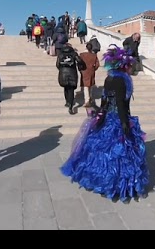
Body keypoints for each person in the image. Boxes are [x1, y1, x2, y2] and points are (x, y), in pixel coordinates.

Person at [60, 45, 149, 202]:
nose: (130, 67)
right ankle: (116, 186)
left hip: (108, 117)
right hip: (118, 119)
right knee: (120, 154)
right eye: (129, 65)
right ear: (124, 65)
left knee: (104, 154)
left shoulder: (109, 78)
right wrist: (125, 124)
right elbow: (121, 104)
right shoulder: (122, 80)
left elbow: (105, 100)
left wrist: (101, 115)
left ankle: (104, 184)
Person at [56, 43, 85, 114]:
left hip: (63, 73)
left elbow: (57, 64)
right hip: (72, 72)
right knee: (71, 89)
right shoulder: (73, 53)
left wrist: (62, 69)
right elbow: (80, 60)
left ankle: (67, 102)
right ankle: (71, 106)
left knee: (65, 87)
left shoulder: (60, 54)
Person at [79, 42, 100, 107]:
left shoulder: (82, 55)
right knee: (90, 84)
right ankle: (90, 97)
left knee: (85, 86)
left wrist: (80, 69)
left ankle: (87, 100)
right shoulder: (94, 55)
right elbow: (97, 64)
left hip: (84, 71)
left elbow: (79, 63)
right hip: (91, 71)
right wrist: (94, 69)